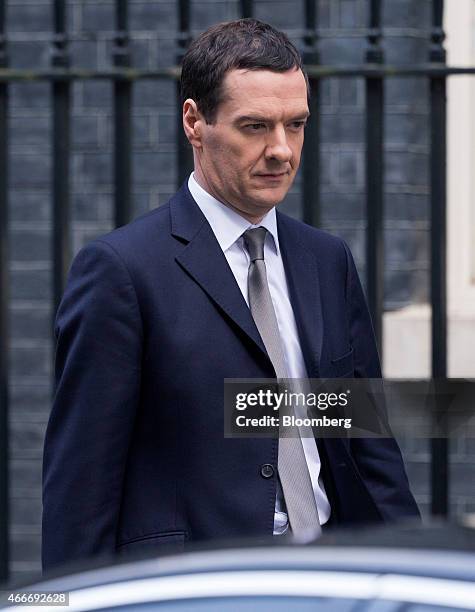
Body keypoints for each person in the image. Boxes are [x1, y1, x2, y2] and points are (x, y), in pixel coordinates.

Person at [42, 18, 419, 570]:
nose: (282, 150)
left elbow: (367, 448)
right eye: (255, 126)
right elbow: (82, 486)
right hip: (199, 588)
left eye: (296, 124)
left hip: (334, 577)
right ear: (195, 121)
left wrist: (415, 574)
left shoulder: (326, 260)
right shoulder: (121, 271)